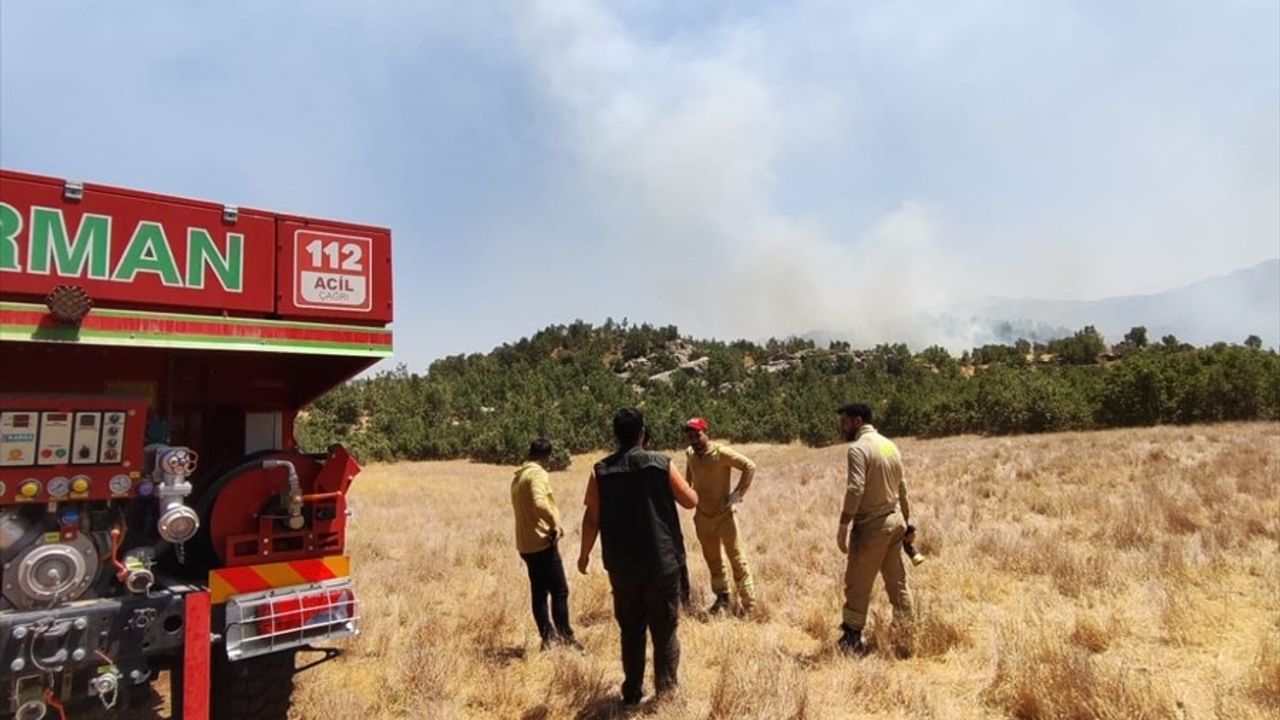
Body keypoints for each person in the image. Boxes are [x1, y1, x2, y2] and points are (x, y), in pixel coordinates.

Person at [578, 408, 699, 705]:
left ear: (616, 435)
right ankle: (667, 693)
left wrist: (584, 556)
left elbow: (591, 519)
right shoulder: (661, 464)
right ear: (643, 432)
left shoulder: (600, 471)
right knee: (665, 629)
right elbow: (690, 501)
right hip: (662, 562)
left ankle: (631, 692)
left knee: (631, 630)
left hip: (623, 566)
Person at [834, 403, 915, 656]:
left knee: (857, 584)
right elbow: (902, 487)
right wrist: (907, 522)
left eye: (845, 421)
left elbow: (855, 488)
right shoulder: (889, 445)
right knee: (897, 583)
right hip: (895, 522)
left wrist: (844, 523)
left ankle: (851, 639)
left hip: (872, 527)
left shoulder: (858, 449)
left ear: (857, 421)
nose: (842, 426)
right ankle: (906, 636)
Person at [682, 417, 758, 614]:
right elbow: (688, 480)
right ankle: (722, 599)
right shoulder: (690, 454)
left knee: (737, 560)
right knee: (713, 560)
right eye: (690, 436)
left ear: (706, 432)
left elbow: (749, 466)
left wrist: (738, 494)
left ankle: (749, 605)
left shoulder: (721, 453)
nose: (694, 440)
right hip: (702, 518)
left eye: (697, 435)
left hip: (725, 517)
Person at [511, 438, 579, 651]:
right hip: (542, 542)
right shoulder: (538, 473)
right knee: (559, 591)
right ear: (547, 457)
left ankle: (548, 638)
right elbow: (540, 502)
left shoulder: (519, 476)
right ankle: (566, 637)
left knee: (539, 593)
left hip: (525, 543)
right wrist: (555, 524)